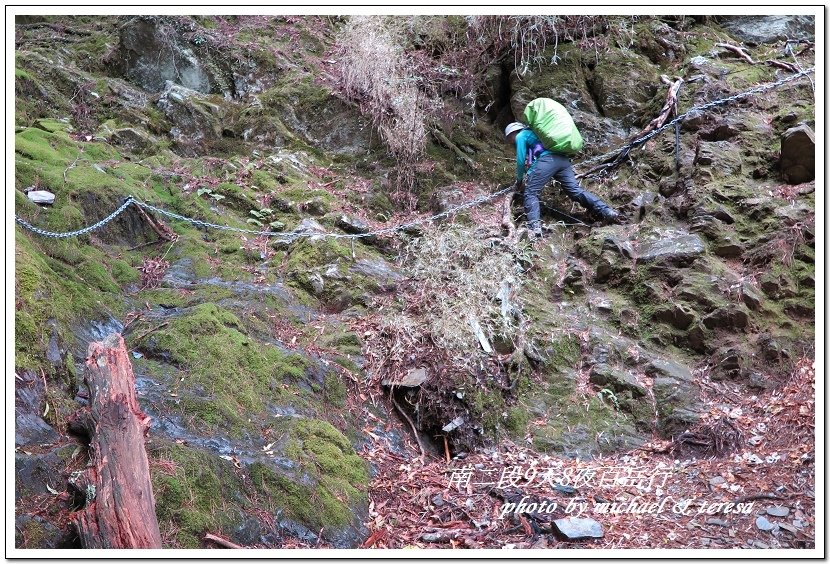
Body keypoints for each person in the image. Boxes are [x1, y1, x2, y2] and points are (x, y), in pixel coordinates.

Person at [505, 121, 622, 236]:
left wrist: (519, 180)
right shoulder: (535, 134)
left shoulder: (521, 135)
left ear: (513, 133)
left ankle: (534, 228)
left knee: (530, 193)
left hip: (548, 160)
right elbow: (535, 161)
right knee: (575, 191)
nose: (510, 142)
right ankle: (606, 211)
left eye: (509, 138)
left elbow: (520, 160)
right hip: (562, 160)